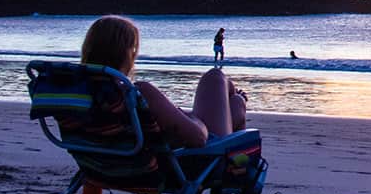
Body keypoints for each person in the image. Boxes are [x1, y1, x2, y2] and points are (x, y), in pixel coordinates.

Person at [84, 14, 248, 152]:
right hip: (188, 162)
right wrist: (188, 117)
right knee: (216, 77)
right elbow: (198, 138)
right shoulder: (137, 93)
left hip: (103, 163)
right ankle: (239, 103)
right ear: (126, 54)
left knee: (231, 98)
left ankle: (236, 100)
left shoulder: (79, 92)